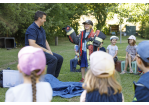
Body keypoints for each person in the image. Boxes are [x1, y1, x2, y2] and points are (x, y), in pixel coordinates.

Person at [25, 11, 63, 78]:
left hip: (42, 52)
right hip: (33, 53)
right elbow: (32, 44)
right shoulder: (32, 29)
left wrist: (50, 51)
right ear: (39, 18)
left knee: (59, 58)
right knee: (53, 60)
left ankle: (54, 79)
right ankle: (49, 81)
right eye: (44, 18)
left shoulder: (41, 29)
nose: (45, 20)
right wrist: (46, 50)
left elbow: (45, 40)